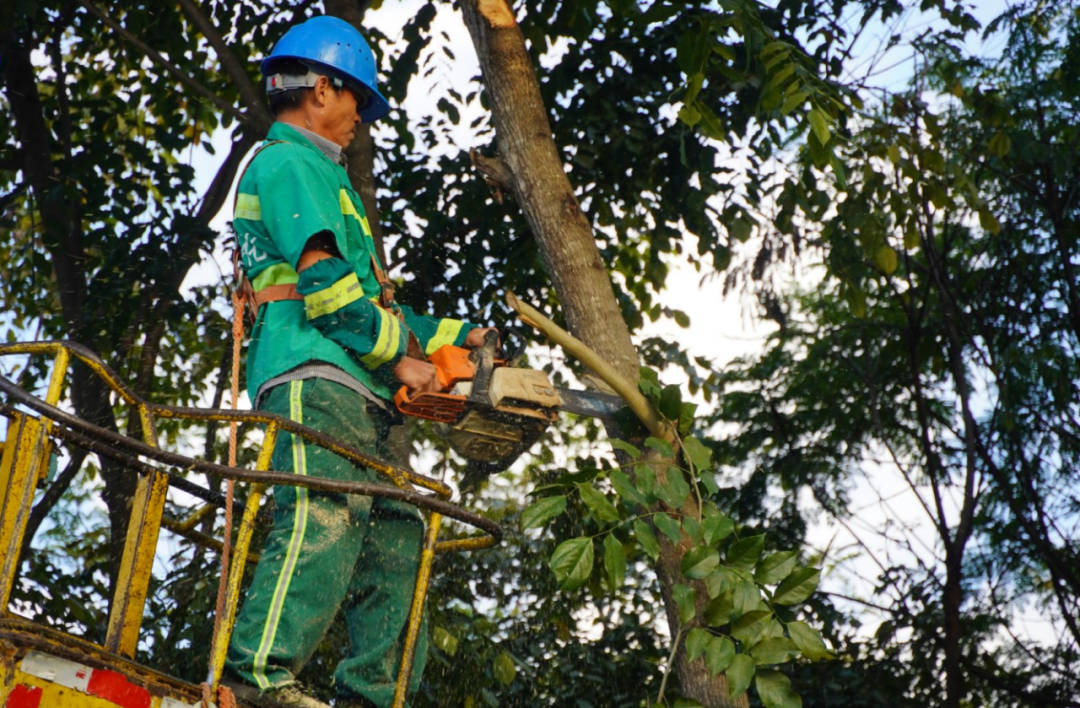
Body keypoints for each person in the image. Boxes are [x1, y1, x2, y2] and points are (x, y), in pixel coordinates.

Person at [224, 15, 494, 708]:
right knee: (325, 511)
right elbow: (322, 280)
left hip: (355, 382)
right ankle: (256, 678)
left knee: (398, 535)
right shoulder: (292, 162)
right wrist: (402, 363)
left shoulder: (325, 176)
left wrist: (463, 339)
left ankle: (374, 697)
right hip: (314, 372)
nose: (359, 121)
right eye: (356, 103)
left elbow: (378, 309)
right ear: (321, 88)